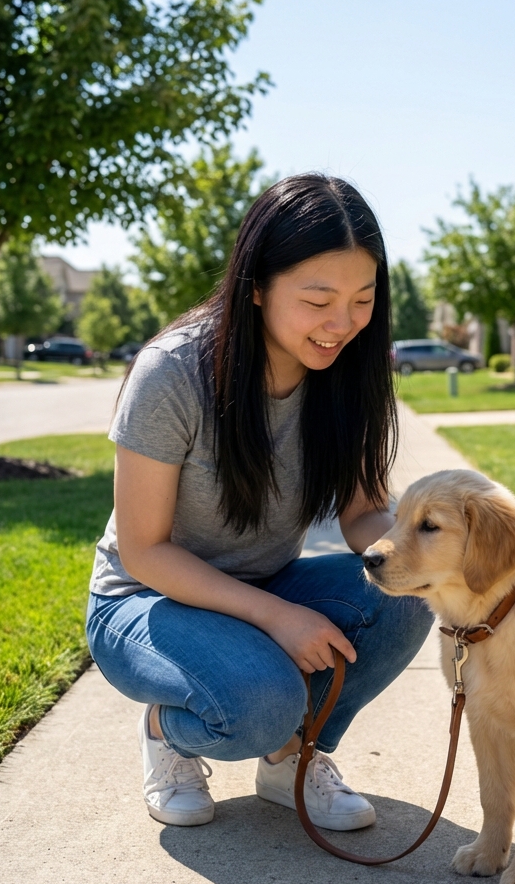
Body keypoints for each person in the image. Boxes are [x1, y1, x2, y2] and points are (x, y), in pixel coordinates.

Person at [86, 175, 433, 830]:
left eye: (362, 300)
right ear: (256, 287)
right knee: (262, 699)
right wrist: (276, 616)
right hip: (143, 599)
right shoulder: (174, 372)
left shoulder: (350, 371)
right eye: (318, 300)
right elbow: (143, 549)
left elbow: (363, 514)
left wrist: (432, 566)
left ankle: (291, 755)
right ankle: (168, 731)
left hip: (267, 582)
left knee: (406, 594)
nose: (342, 324)